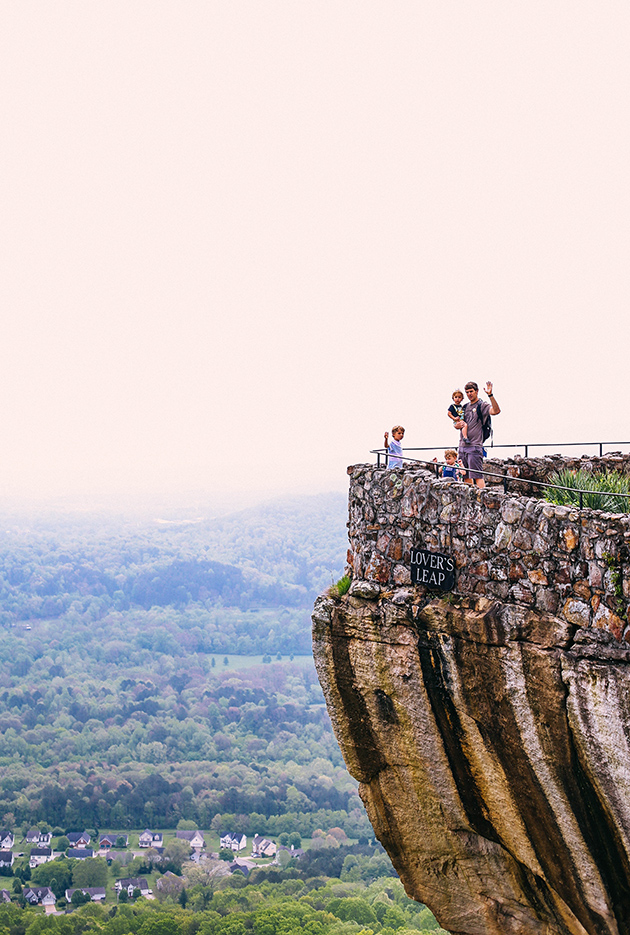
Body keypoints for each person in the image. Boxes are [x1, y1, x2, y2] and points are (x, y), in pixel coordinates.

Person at [454, 381, 501, 488]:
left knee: (477, 475)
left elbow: (496, 411)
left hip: (475, 446)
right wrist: (457, 425)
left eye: (471, 391)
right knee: (465, 475)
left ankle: (482, 498)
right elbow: (456, 425)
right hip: (462, 446)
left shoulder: (482, 406)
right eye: (467, 392)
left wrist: (490, 395)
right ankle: (469, 499)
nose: (469, 394)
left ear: (477, 391)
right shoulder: (465, 407)